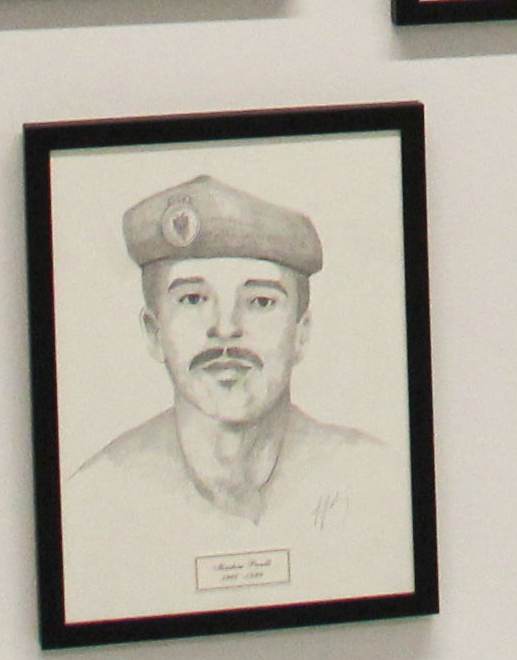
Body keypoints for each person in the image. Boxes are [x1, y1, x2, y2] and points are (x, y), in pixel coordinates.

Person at [65, 175, 395, 557]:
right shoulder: (94, 503)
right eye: (192, 299)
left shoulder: (375, 480)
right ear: (154, 332)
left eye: (260, 302)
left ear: (301, 332)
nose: (225, 328)